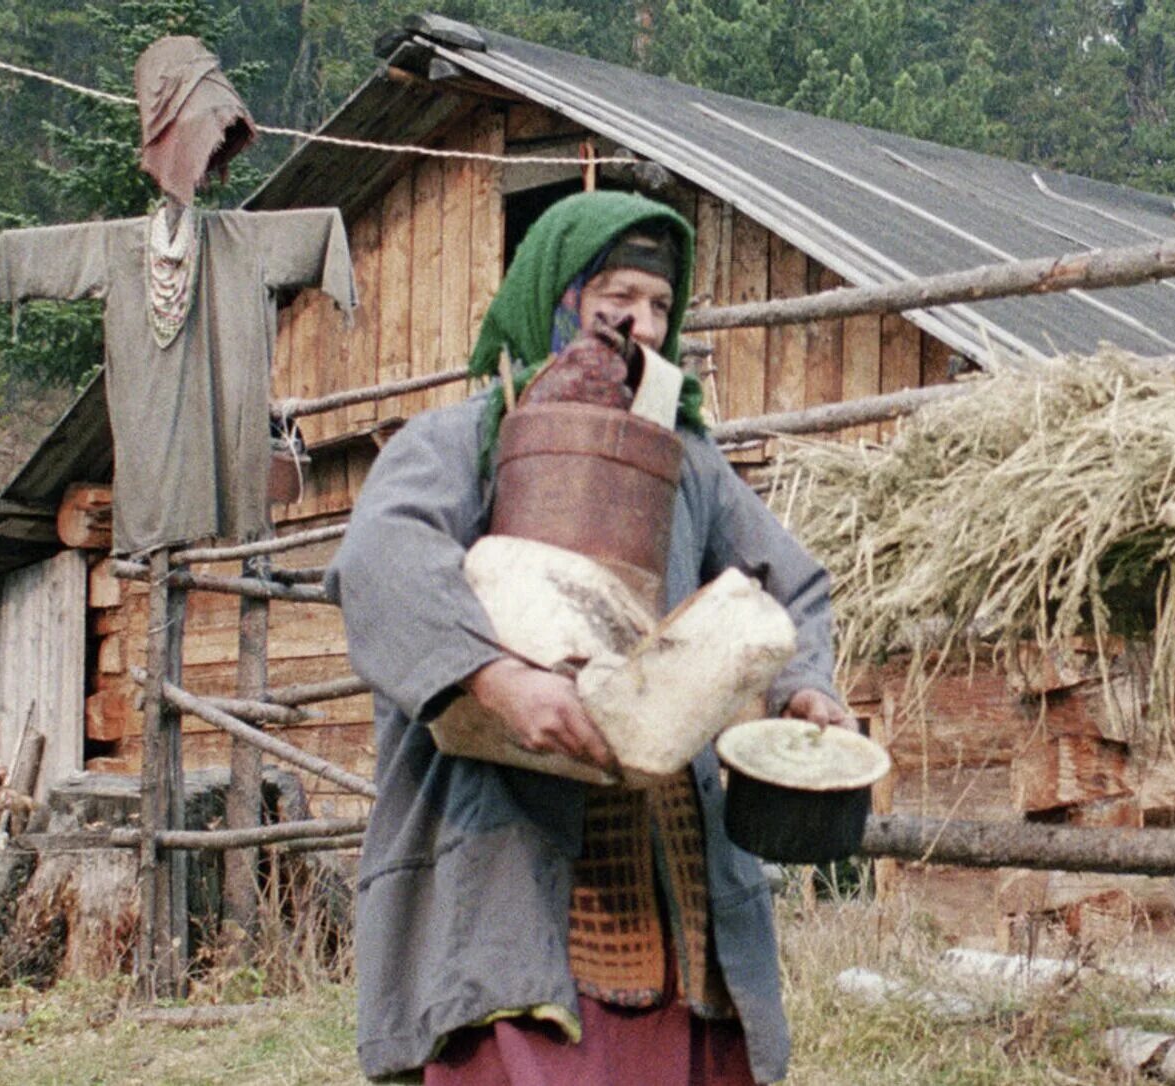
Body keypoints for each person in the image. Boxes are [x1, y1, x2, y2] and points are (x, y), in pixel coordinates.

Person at [327, 189, 848, 1086]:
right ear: (556, 295)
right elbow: (382, 558)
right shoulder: (457, 445)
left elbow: (785, 583)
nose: (639, 324)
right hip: (508, 855)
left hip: (669, 862)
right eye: (616, 294)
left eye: (659, 306)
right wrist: (495, 680)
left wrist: (803, 686)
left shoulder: (690, 468)